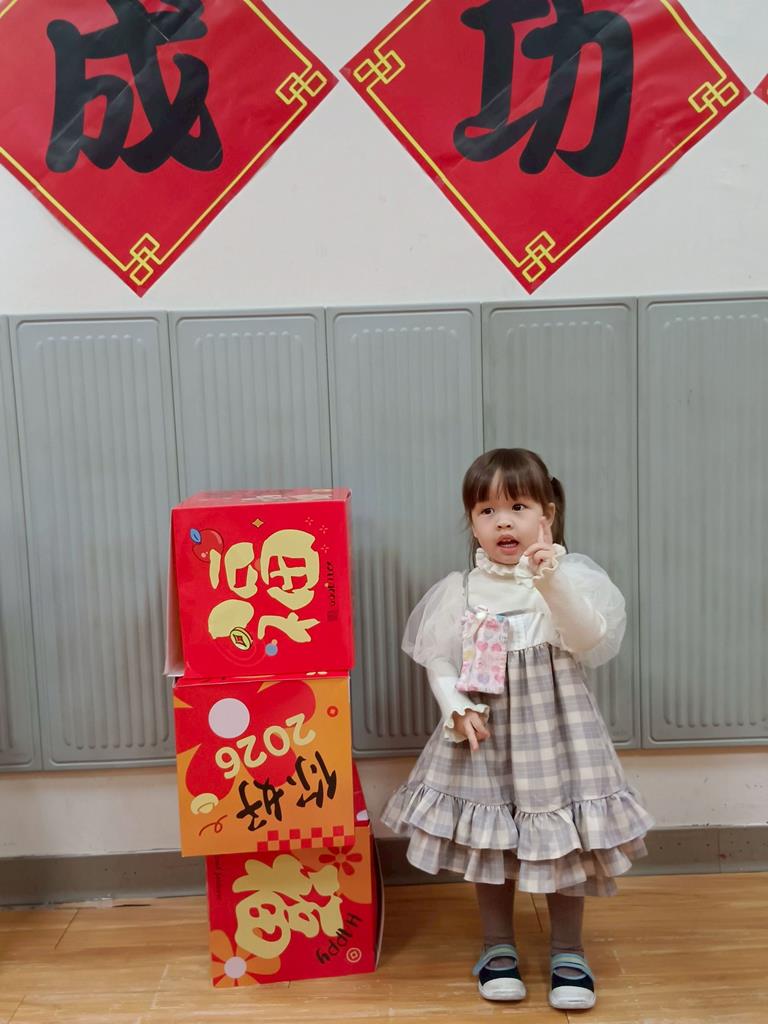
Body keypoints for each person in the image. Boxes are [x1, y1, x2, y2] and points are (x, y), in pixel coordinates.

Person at [382, 448, 654, 1010]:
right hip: (485, 731)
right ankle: (497, 946)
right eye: (487, 511)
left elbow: (587, 638)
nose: (503, 522)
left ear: (546, 515)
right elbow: (439, 657)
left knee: (563, 839)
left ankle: (568, 951)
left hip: (557, 732)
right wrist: (455, 705)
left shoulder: (566, 578)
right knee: (491, 836)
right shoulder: (462, 589)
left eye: (518, 507)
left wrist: (549, 579)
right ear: (472, 524)